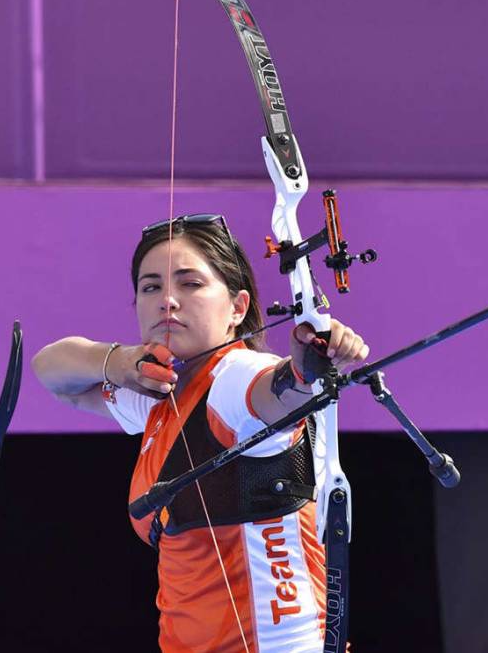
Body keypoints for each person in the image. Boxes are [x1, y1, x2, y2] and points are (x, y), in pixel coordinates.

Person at [32, 216, 369, 653]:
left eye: (190, 284)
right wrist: (119, 362)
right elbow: (52, 371)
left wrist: (306, 369)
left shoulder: (235, 378)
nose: (167, 300)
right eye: (150, 287)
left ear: (238, 307)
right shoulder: (160, 392)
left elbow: (276, 394)